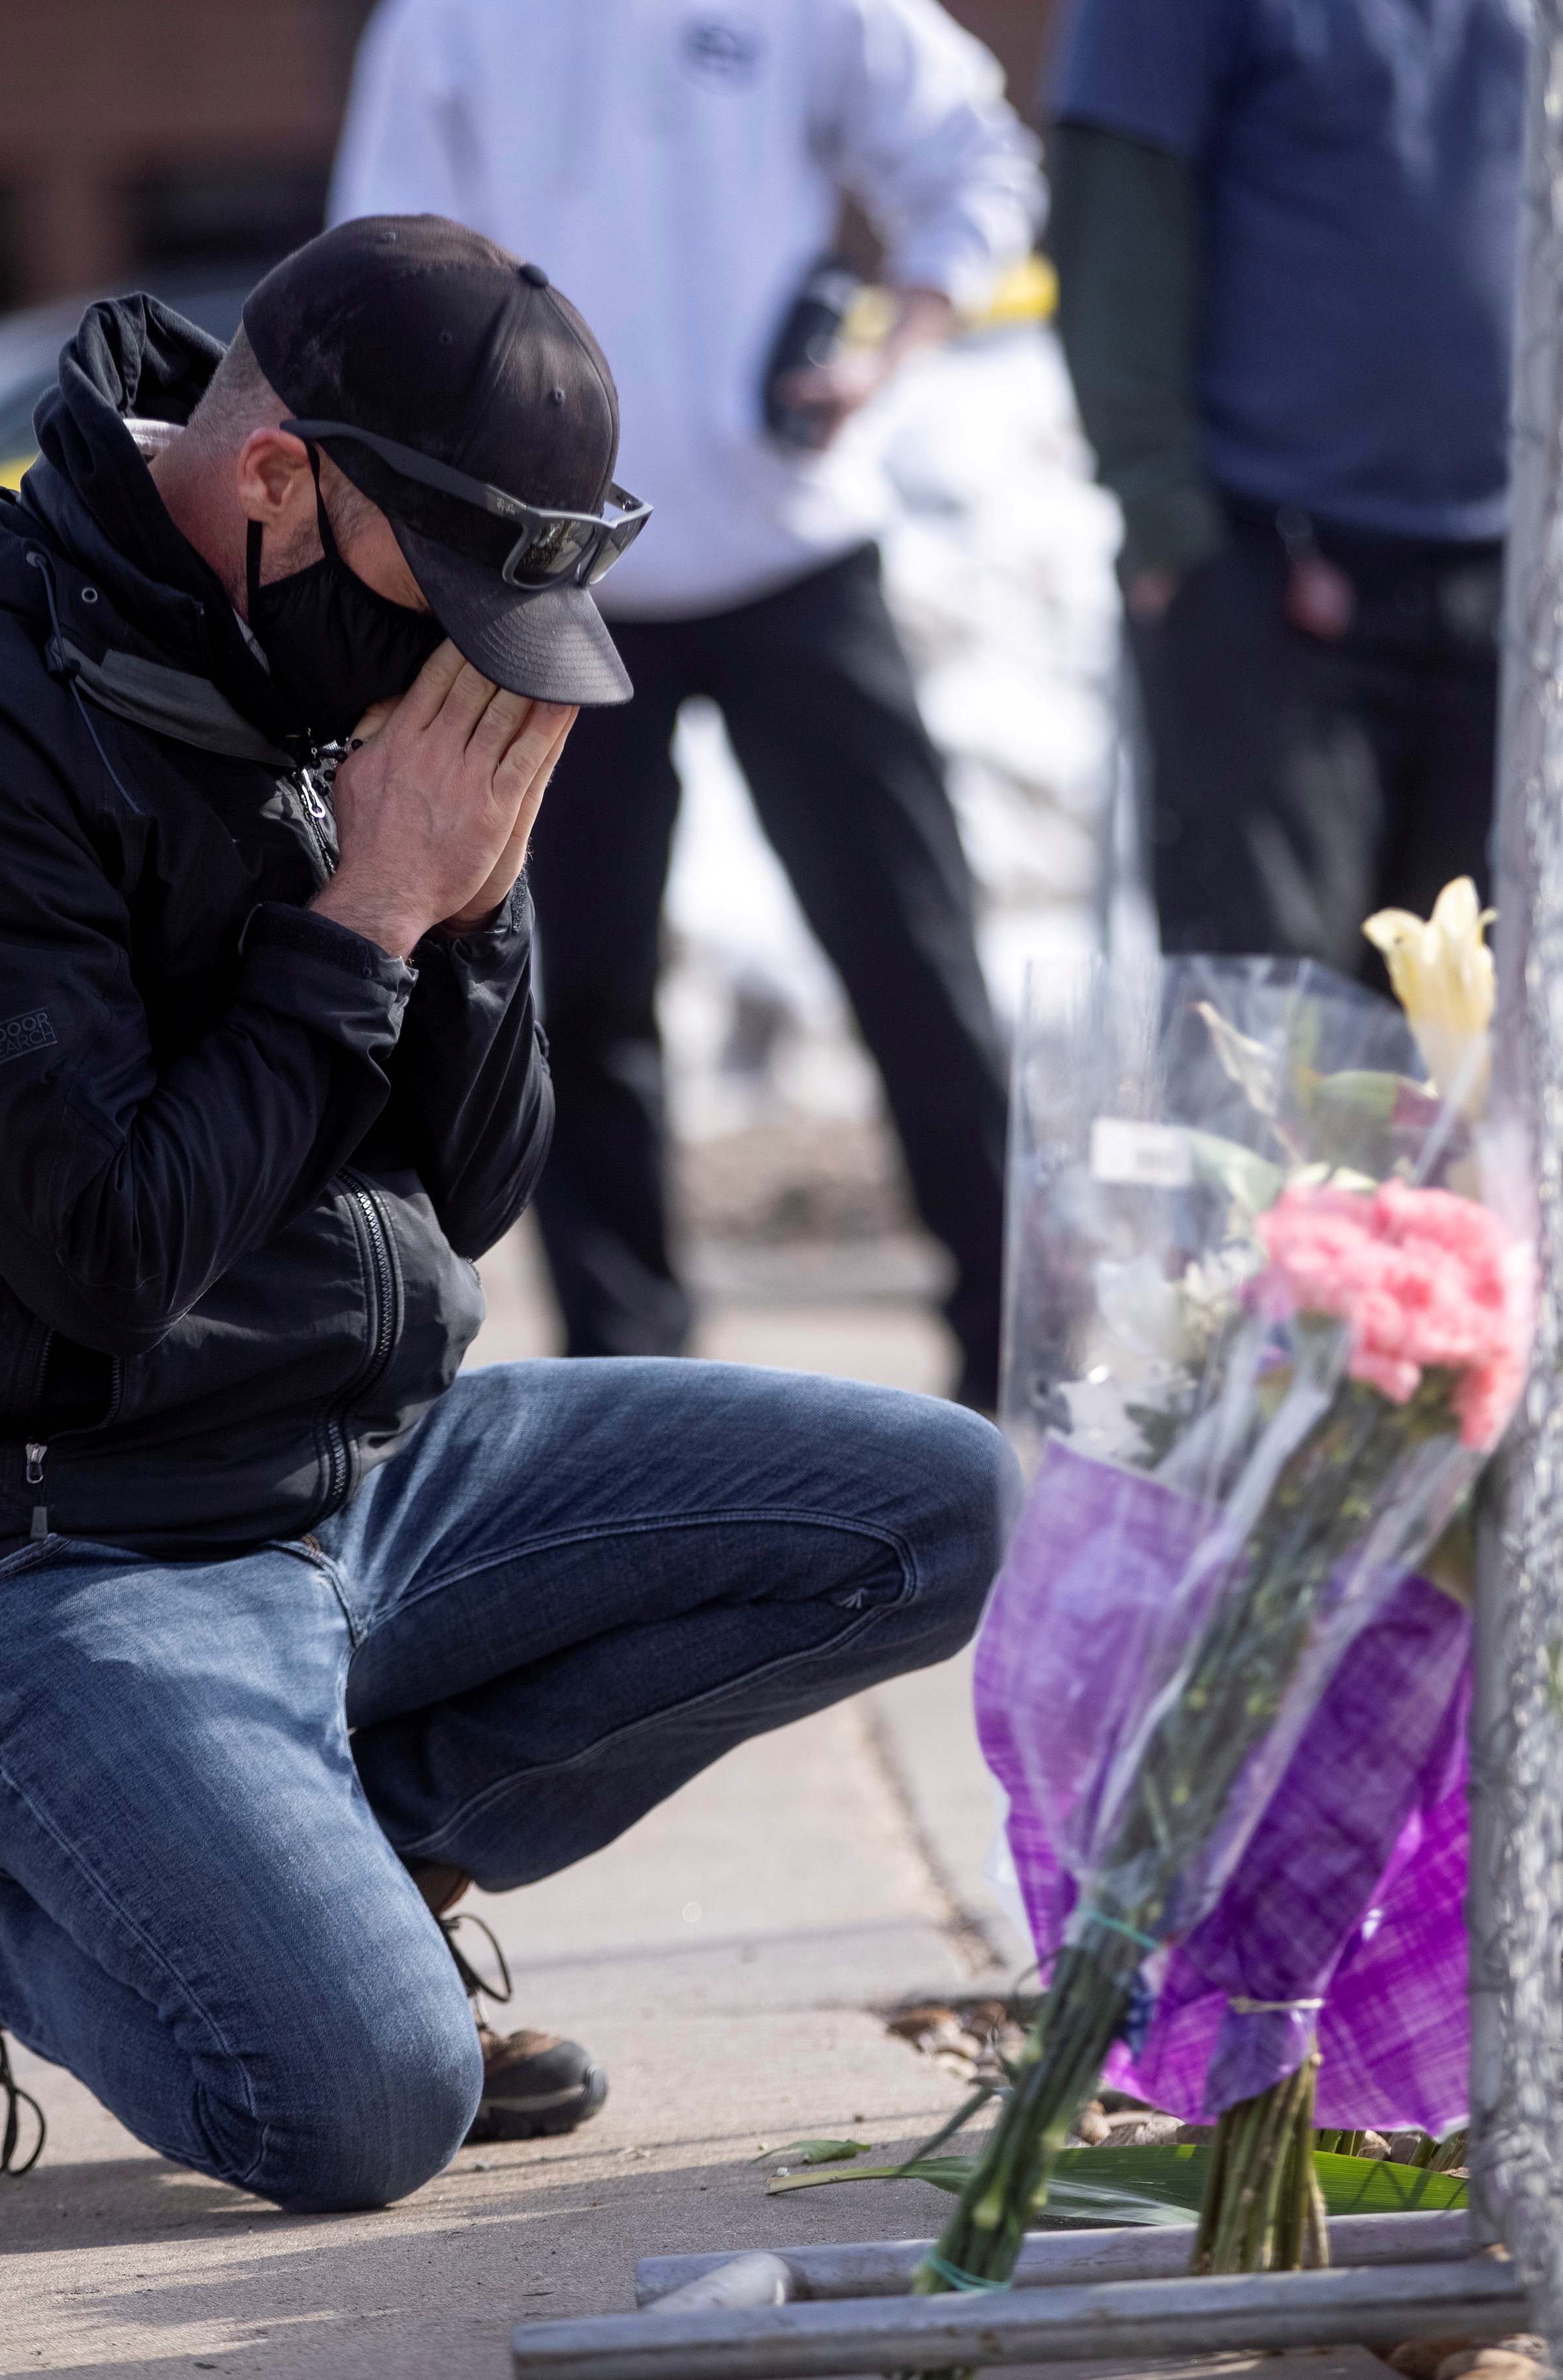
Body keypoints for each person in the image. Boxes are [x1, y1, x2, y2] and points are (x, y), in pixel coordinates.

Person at [0, 217, 1010, 2204]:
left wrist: (476, 906)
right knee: (354, 2106)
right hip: (37, 1538)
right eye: (449, 599)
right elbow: (109, 1250)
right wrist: (368, 913)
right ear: (273, 478)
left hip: (357, 1474)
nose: (461, 671)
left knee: (933, 1508)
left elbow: (477, 1185)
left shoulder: (317, 658)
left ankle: (328, 1846)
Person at [330, 0, 1044, 1410]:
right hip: (551, 574)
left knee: (913, 958)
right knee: (570, 993)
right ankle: (632, 1376)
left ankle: (1014, 1338)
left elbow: (977, 158)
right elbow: (382, 268)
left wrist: (892, 341)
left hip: (795, 550)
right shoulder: (447, 21)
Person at [1046, 0, 1529, 977]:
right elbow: (1115, 216)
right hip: (1270, 574)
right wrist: (1162, 516)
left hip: (1509, 585)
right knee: (1274, 1042)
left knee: (1464, 1061)